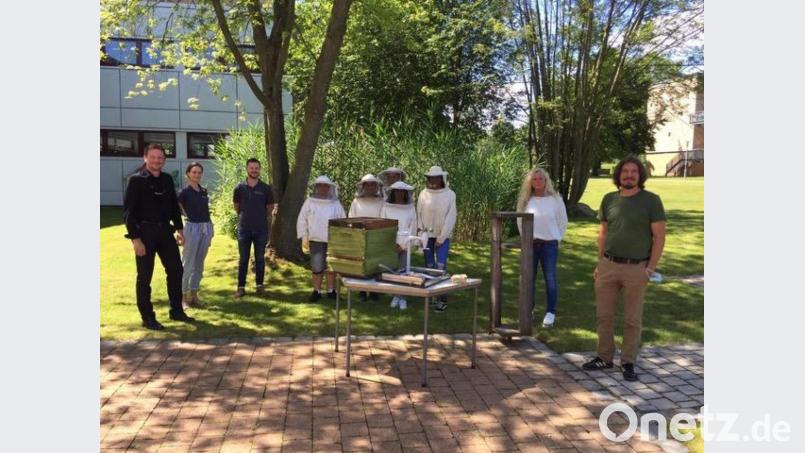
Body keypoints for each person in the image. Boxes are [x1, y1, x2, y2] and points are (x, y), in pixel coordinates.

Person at [582, 156, 667, 382]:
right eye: (625, 172)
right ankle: (604, 357)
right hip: (608, 266)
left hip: (636, 269)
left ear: (640, 176)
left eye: (634, 172)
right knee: (604, 316)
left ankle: (628, 362)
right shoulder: (609, 199)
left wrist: (650, 268)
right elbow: (603, 233)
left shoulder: (651, 201)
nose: (629, 175)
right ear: (618, 175)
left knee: (632, 319)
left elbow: (659, 236)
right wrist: (600, 262)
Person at [123, 143, 194, 330]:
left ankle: (176, 311)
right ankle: (148, 317)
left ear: (164, 160)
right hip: (145, 233)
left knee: (176, 270)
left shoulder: (167, 180)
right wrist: (135, 239)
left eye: (160, 158)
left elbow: (173, 206)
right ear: (145, 158)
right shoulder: (135, 181)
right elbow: (129, 213)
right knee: (145, 276)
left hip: (165, 232)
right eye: (153, 157)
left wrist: (180, 230)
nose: (157, 161)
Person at [516, 167, 568, 328]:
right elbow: (520, 221)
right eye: (534, 179)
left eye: (541, 179)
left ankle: (550, 313)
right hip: (530, 244)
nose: (538, 181)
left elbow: (562, 221)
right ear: (530, 183)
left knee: (550, 279)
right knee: (528, 279)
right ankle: (528, 311)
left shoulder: (555, 199)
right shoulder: (526, 201)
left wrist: (557, 238)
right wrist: (525, 240)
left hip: (549, 245)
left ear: (546, 181)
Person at [297, 175, 346, 301]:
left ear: (329, 188)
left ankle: (331, 291)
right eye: (321, 185)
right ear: (316, 187)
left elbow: (343, 220)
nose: (323, 188)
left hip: (332, 240)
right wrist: (304, 237)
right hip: (315, 239)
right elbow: (302, 220)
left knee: (331, 267)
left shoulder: (335, 203)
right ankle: (316, 291)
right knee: (317, 267)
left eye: (326, 186)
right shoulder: (309, 202)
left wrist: (342, 238)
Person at [233, 158, 276, 298]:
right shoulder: (239, 188)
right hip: (244, 229)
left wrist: (259, 217)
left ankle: (259, 286)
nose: (254, 170)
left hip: (260, 229)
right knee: (243, 258)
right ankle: (240, 287)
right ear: (247, 169)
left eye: (256, 168)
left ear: (260, 169)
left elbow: (269, 208)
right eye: (251, 168)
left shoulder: (266, 188)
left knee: (260, 258)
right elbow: (237, 207)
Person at [417, 165, 456, 312]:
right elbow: (418, 214)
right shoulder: (423, 194)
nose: (434, 180)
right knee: (428, 266)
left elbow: (451, 216)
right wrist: (422, 234)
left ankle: (442, 298)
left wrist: (442, 236)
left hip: (442, 236)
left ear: (442, 179)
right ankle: (431, 295)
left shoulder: (450, 194)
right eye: (431, 177)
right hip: (427, 235)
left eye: (436, 178)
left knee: (441, 266)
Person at [178, 162, 214, 309]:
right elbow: (176, 210)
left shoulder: (203, 191)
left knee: (199, 264)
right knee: (188, 264)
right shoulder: (184, 192)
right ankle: (182, 297)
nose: (197, 175)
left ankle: (194, 295)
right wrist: (179, 230)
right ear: (188, 174)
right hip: (191, 228)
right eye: (194, 172)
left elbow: (206, 211)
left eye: (199, 172)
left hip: (206, 227)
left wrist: (211, 229)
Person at [380, 181, 418, 310]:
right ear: (393, 193)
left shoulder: (411, 208)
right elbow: (383, 226)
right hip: (391, 244)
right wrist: (392, 243)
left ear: (406, 193)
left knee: (404, 271)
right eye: (397, 191)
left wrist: (405, 245)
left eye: (402, 191)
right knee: (393, 271)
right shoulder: (386, 207)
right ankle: (396, 295)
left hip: (405, 244)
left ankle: (402, 297)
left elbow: (413, 227)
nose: (400, 194)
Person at [348, 174, 384, 301]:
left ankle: (374, 290)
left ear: (376, 186)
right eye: (367, 184)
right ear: (363, 187)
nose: (370, 187)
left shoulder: (382, 202)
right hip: (360, 236)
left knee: (375, 264)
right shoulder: (356, 202)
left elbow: (384, 219)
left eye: (372, 184)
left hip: (376, 236)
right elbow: (351, 218)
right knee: (362, 264)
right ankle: (362, 290)